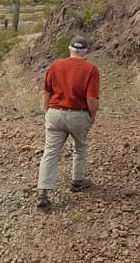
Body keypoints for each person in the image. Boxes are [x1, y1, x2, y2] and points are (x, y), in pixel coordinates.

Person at [37, 36, 100, 210]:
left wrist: (47, 111)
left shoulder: (56, 65)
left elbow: (46, 91)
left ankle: (43, 191)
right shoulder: (91, 69)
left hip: (55, 113)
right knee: (80, 148)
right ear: (86, 52)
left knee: (50, 152)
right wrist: (92, 116)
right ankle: (77, 181)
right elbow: (92, 98)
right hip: (79, 115)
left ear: (69, 49)